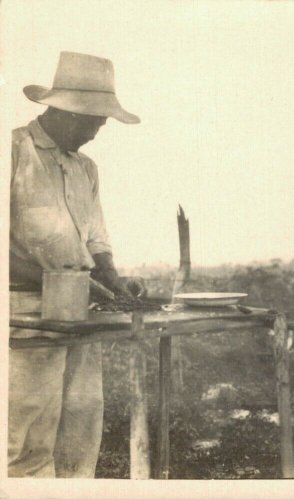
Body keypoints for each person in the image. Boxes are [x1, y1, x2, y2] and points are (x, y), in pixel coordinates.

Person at [8, 51, 145, 477]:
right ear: (66, 112)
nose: (99, 130)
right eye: (95, 121)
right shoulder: (13, 151)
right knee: (24, 436)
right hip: (23, 315)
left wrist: (110, 278)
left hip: (81, 315)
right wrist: (60, 281)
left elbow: (96, 238)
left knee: (80, 430)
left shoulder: (86, 167)